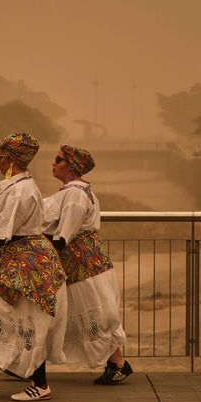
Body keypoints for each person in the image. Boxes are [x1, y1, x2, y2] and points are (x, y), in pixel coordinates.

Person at [0, 132, 67, 402]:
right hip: (18, 260)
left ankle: (39, 386)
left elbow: (1, 235)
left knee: (25, 321)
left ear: (11, 159)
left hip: (25, 264)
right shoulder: (13, 185)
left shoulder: (20, 190)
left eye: (1, 156)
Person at [42, 144, 133, 385]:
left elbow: (64, 235)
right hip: (87, 262)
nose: (54, 163)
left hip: (82, 264)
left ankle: (118, 363)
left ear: (71, 167)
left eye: (59, 160)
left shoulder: (74, 194)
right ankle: (116, 363)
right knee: (90, 312)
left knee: (93, 313)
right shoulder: (77, 191)